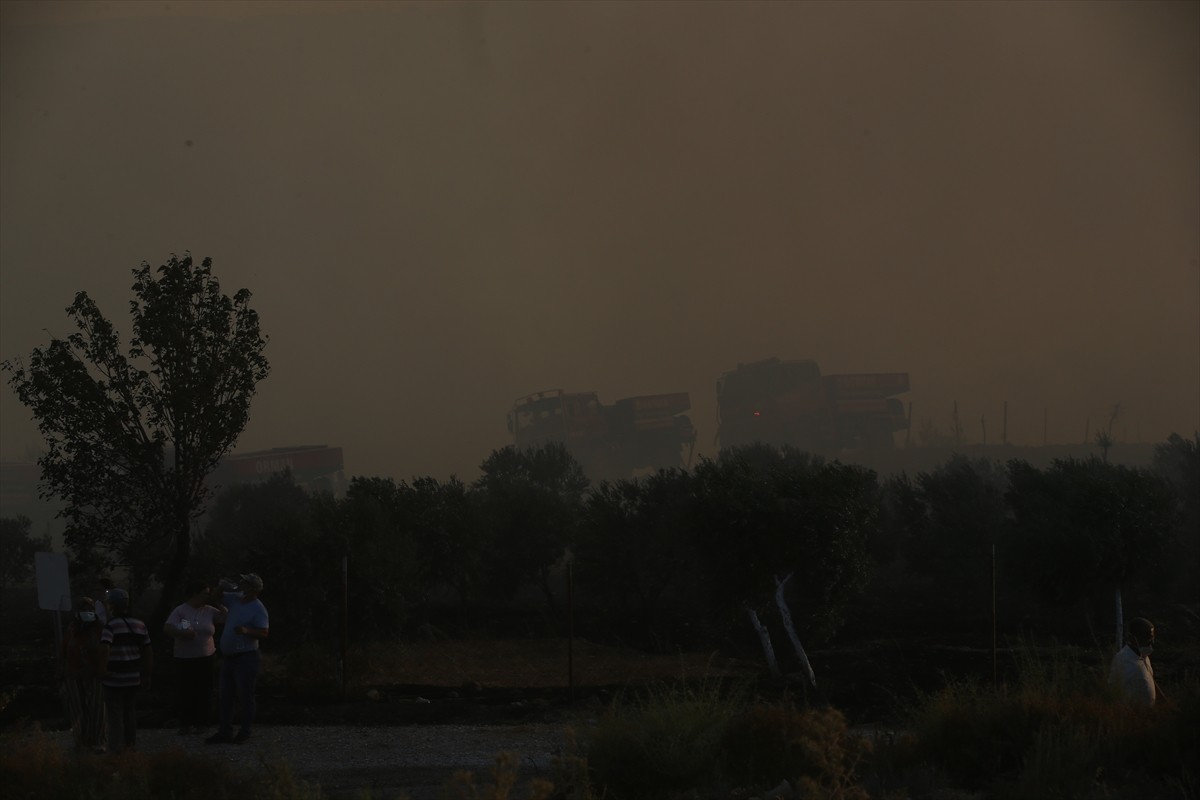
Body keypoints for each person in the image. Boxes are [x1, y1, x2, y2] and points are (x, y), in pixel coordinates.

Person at [207, 573, 269, 745]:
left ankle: (245, 731)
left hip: (246, 657)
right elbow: (215, 599)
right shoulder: (235, 598)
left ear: (253, 588)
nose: (241, 584)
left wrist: (247, 631)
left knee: (245, 695)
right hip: (229, 657)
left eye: (245, 582)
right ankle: (224, 731)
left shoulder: (258, 608)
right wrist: (221, 586)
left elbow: (264, 632)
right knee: (225, 695)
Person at [164, 580, 227, 734]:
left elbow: (225, 617)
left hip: (206, 656)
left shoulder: (209, 610)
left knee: (204, 690)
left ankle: (202, 722)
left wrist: (217, 602)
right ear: (194, 594)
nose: (207, 597)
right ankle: (186, 722)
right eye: (204, 594)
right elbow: (168, 627)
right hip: (185, 657)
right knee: (187, 690)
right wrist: (182, 632)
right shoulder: (181, 610)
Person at [97, 587, 153, 754]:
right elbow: (148, 652)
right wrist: (147, 675)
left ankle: (116, 752)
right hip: (133, 677)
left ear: (111, 606)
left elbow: (104, 648)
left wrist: (102, 670)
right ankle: (130, 748)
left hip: (114, 679)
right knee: (130, 713)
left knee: (114, 715)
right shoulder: (139, 625)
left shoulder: (110, 626)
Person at [62, 596, 106, 751]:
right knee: (77, 709)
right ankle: (80, 741)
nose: (87, 612)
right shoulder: (72, 629)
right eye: (84, 609)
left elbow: (105, 649)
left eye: (90, 609)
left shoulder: (99, 628)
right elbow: (64, 650)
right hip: (74, 674)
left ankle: (98, 741)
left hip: (95, 673)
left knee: (97, 708)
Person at [1109, 616, 1158, 706]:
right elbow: (1114, 691)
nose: (1151, 643)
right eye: (1147, 639)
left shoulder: (1144, 656)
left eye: (1152, 638)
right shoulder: (1122, 660)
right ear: (1132, 638)